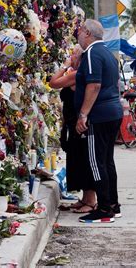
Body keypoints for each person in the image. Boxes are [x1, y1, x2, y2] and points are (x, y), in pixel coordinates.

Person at [75, 19, 123, 223]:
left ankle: (104, 208)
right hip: (112, 112)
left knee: (96, 162)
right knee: (107, 160)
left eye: (79, 30)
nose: (77, 34)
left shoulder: (93, 53)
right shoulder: (108, 54)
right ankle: (113, 203)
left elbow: (94, 85)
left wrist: (83, 114)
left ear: (87, 32)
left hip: (99, 114)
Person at [50, 45, 96, 213]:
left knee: (83, 159)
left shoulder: (77, 75)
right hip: (71, 122)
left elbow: (53, 83)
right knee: (76, 159)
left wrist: (64, 66)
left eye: (74, 55)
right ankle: (85, 198)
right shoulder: (76, 74)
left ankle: (91, 200)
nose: (71, 57)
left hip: (78, 123)